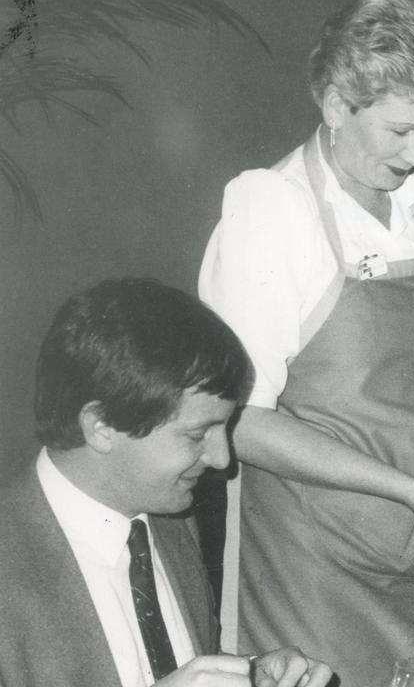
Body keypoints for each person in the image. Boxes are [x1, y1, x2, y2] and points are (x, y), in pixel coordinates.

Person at [198, 0, 414, 687]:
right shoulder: (272, 212)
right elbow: (235, 420)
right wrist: (407, 490)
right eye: (400, 131)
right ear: (336, 105)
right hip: (311, 566)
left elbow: (404, 377)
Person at [0, 278, 333, 687]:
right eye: (197, 435)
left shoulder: (169, 521)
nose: (223, 459)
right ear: (101, 426)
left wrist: (249, 672)